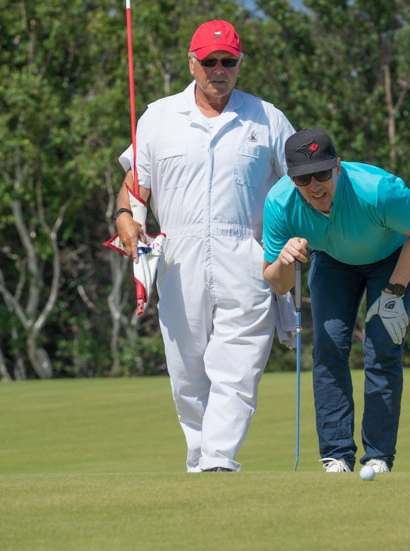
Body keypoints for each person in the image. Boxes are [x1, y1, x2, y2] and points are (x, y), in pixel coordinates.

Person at [113, 20, 296, 472]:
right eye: (209, 61)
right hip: (178, 255)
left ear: (239, 64)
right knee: (187, 371)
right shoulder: (157, 116)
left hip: (248, 252)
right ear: (192, 63)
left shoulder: (267, 118)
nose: (219, 69)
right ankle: (200, 458)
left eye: (228, 61)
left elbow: (298, 184)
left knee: (238, 366)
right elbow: (135, 187)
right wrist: (123, 219)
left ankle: (218, 458)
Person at [262, 129, 410, 473]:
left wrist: (395, 291)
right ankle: (336, 454)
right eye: (303, 178)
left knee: (383, 346)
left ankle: (378, 456)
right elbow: (278, 284)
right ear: (291, 178)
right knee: (328, 346)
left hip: (390, 257)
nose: (315, 186)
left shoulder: (379, 190)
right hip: (331, 260)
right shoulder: (279, 203)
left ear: (338, 167)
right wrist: (284, 261)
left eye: (323, 174)